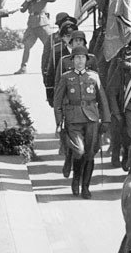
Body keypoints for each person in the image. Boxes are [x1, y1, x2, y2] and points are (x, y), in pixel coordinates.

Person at [53, 46, 110, 199]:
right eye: (77, 58)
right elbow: (57, 101)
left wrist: (106, 119)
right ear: (72, 60)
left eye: (82, 58)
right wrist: (59, 121)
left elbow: (102, 99)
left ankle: (85, 186)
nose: (80, 60)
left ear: (86, 60)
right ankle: (76, 179)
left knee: (90, 154)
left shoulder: (94, 76)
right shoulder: (66, 77)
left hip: (91, 118)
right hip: (73, 118)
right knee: (79, 150)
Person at [14, 0, 56, 75]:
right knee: (27, 45)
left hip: (42, 24)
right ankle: (23, 67)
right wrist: (27, 1)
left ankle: (53, 67)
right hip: (32, 25)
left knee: (50, 45)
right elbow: (23, 10)